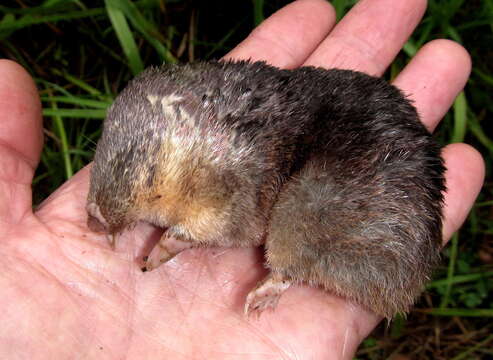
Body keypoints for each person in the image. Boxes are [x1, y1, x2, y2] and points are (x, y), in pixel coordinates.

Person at [0, 0, 484, 358]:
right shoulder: (201, 130)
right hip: (351, 165)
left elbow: (238, 222)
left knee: (288, 236)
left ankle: (291, 269)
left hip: (365, 223)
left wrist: (189, 234)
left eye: (152, 189)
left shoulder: (228, 161)